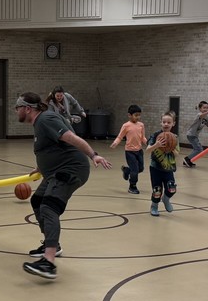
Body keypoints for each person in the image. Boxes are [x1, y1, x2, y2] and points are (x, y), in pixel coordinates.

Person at [15, 92, 111, 280]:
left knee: (49, 207)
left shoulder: (45, 119)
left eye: (17, 107)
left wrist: (94, 155)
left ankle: (48, 262)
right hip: (54, 171)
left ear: (27, 108)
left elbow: (71, 138)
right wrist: (41, 166)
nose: (16, 111)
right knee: (38, 200)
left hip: (70, 169)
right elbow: (51, 147)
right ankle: (53, 245)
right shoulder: (40, 122)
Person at [147, 111, 179, 216]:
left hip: (168, 168)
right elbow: (148, 150)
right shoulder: (155, 135)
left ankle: (166, 199)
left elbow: (177, 154)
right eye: (164, 122)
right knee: (157, 190)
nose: (166, 124)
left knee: (171, 188)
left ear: (173, 123)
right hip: (155, 168)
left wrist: (171, 148)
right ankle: (154, 206)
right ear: (161, 123)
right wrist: (157, 145)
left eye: (168, 122)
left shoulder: (175, 137)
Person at [110, 104, 145, 194]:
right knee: (135, 170)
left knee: (140, 168)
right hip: (130, 152)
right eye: (136, 115)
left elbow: (143, 137)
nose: (138, 117)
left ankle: (126, 170)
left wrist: (149, 143)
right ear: (129, 115)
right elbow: (120, 136)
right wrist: (115, 143)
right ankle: (132, 186)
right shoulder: (126, 126)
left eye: (139, 115)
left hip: (139, 151)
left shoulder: (141, 125)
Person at [183, 101, 208, 167]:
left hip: (195, 135)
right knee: (199, 149)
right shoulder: (199, 114)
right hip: (191, 134)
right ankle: (187, 159)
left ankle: (189, 160)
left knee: (196, 149)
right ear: (200, 109)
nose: (206, 109)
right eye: (204, 108)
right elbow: (201, 115)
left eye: (207, 107)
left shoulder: (206, 118)